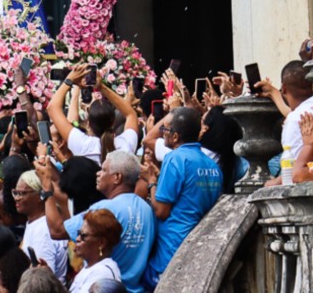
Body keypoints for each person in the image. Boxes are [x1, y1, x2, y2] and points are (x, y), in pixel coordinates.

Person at [39, 151, 153, 293]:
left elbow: (57, 231)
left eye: (104, 170)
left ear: (117, 177)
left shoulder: (104, 209)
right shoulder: (147, 209)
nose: (98, 174)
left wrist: (47, 191)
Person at [145, 107, 223, 288]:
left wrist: (151, 182)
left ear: (175, 136)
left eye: (165, 129)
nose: (162, 134)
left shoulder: (175, 158)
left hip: (172, 247)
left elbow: (161, 211)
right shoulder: (212, 165)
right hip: (198, 244)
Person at [46, 64, 139, 165]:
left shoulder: (82, 144)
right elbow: (130, 114)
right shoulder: (126, 144)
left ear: (88, 124)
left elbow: (52, 107)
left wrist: (69, 79)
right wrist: (102, 87)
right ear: (113, 123)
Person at [13, 171, 68, 282]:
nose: (17, 198)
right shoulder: (34, 223)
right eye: (15, 193)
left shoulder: (43, 229)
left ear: (40, 196)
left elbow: (42, 280)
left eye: (23, 193)